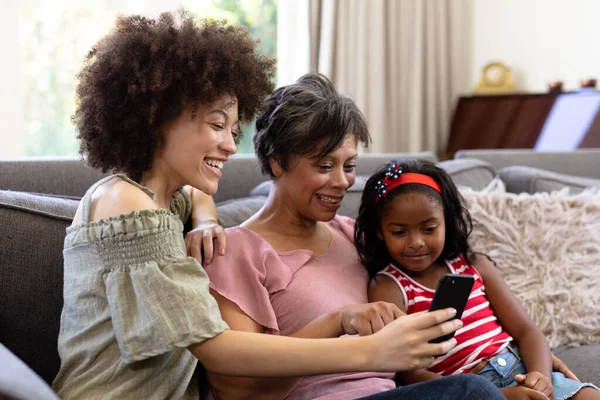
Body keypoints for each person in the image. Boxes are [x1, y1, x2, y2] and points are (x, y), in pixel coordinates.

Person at [51, 10, 475, 400]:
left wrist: (203, 217)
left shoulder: (169, 199)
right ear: (159, 116)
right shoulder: (123, 202)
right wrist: (367, 351)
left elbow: (196, 195)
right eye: (216, 125)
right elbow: (216, 348)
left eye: (234, 129)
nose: (228, 145)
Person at [203, 73, 510, 400]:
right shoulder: (234, 250)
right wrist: (338, 321)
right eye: (324, 166)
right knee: (471, 393)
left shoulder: (355, 235)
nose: (342, 181)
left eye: (348, 166)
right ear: (277, 162)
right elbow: (235, 392)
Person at [354, 158, 600, 400]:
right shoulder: (388, 286)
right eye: (399, 232)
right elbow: (408, 371)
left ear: (446, 223)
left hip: (522, 371)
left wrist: (540, 378)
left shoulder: (472, 265)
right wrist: (496, 394)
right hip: (468, 391)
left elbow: (526, 331)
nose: (416, 242)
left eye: (429, 229)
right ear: (380, 231)